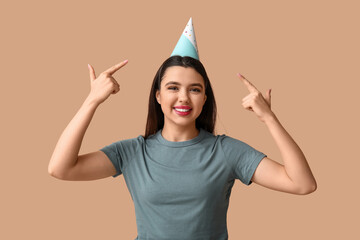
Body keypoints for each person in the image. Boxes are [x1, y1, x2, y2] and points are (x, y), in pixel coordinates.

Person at [48, 18, 317, 240]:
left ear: (205, 98)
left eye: (195, 89)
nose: (184, 98)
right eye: (173, 88)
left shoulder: (226, 151)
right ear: (157, 96)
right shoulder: (131, 153)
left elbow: (302, 184)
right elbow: (61, 168)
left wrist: (269, 119)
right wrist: (92, 101)